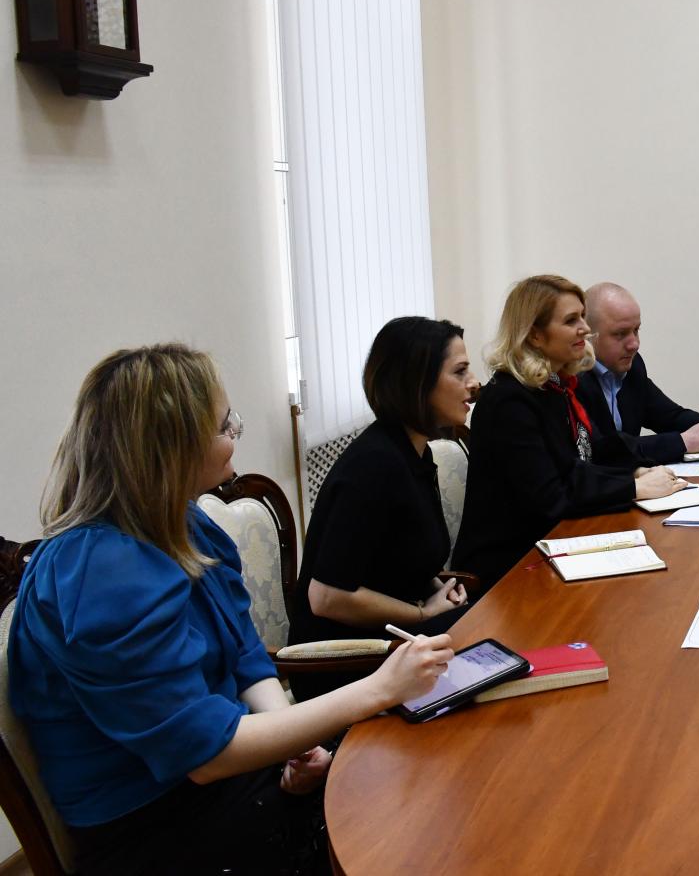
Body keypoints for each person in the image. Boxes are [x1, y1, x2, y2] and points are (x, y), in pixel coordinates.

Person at [8, 344, 453, 876]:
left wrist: (291, 740)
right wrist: (377, 689)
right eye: (224, 423)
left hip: (226, 786)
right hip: (155, 829)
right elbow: (204, 755)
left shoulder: (188, 525)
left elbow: (245, 658)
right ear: (171, 445)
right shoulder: (97, 571)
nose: (235, 432)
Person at [287, 317, 477, 700]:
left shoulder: (412, 452)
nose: (474, 382)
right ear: (417, 384)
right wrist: (424, 615)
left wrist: (438, 590)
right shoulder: (374, 465)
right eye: (460, 372)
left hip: (394, 645)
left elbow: (399, 556)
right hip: (346, 666)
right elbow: (326, 597)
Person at [452, 275, 685, 587]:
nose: (586, 329)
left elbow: (587, 458)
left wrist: (638, 472)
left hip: (553, 545)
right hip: (509, 570)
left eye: (582, 318)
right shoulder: (508, 402)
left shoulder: (552, 386)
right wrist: (633, 488)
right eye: (571, 320)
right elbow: (551, 496)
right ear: (534, 334)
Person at [578, 281, 699, 466]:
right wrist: (684, 441)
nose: (634, 344)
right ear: (588, 335)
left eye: (636, 330)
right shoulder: (573, 380)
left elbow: (670, 417)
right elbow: (603, 451)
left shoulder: (633, 366)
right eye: (620, 334)